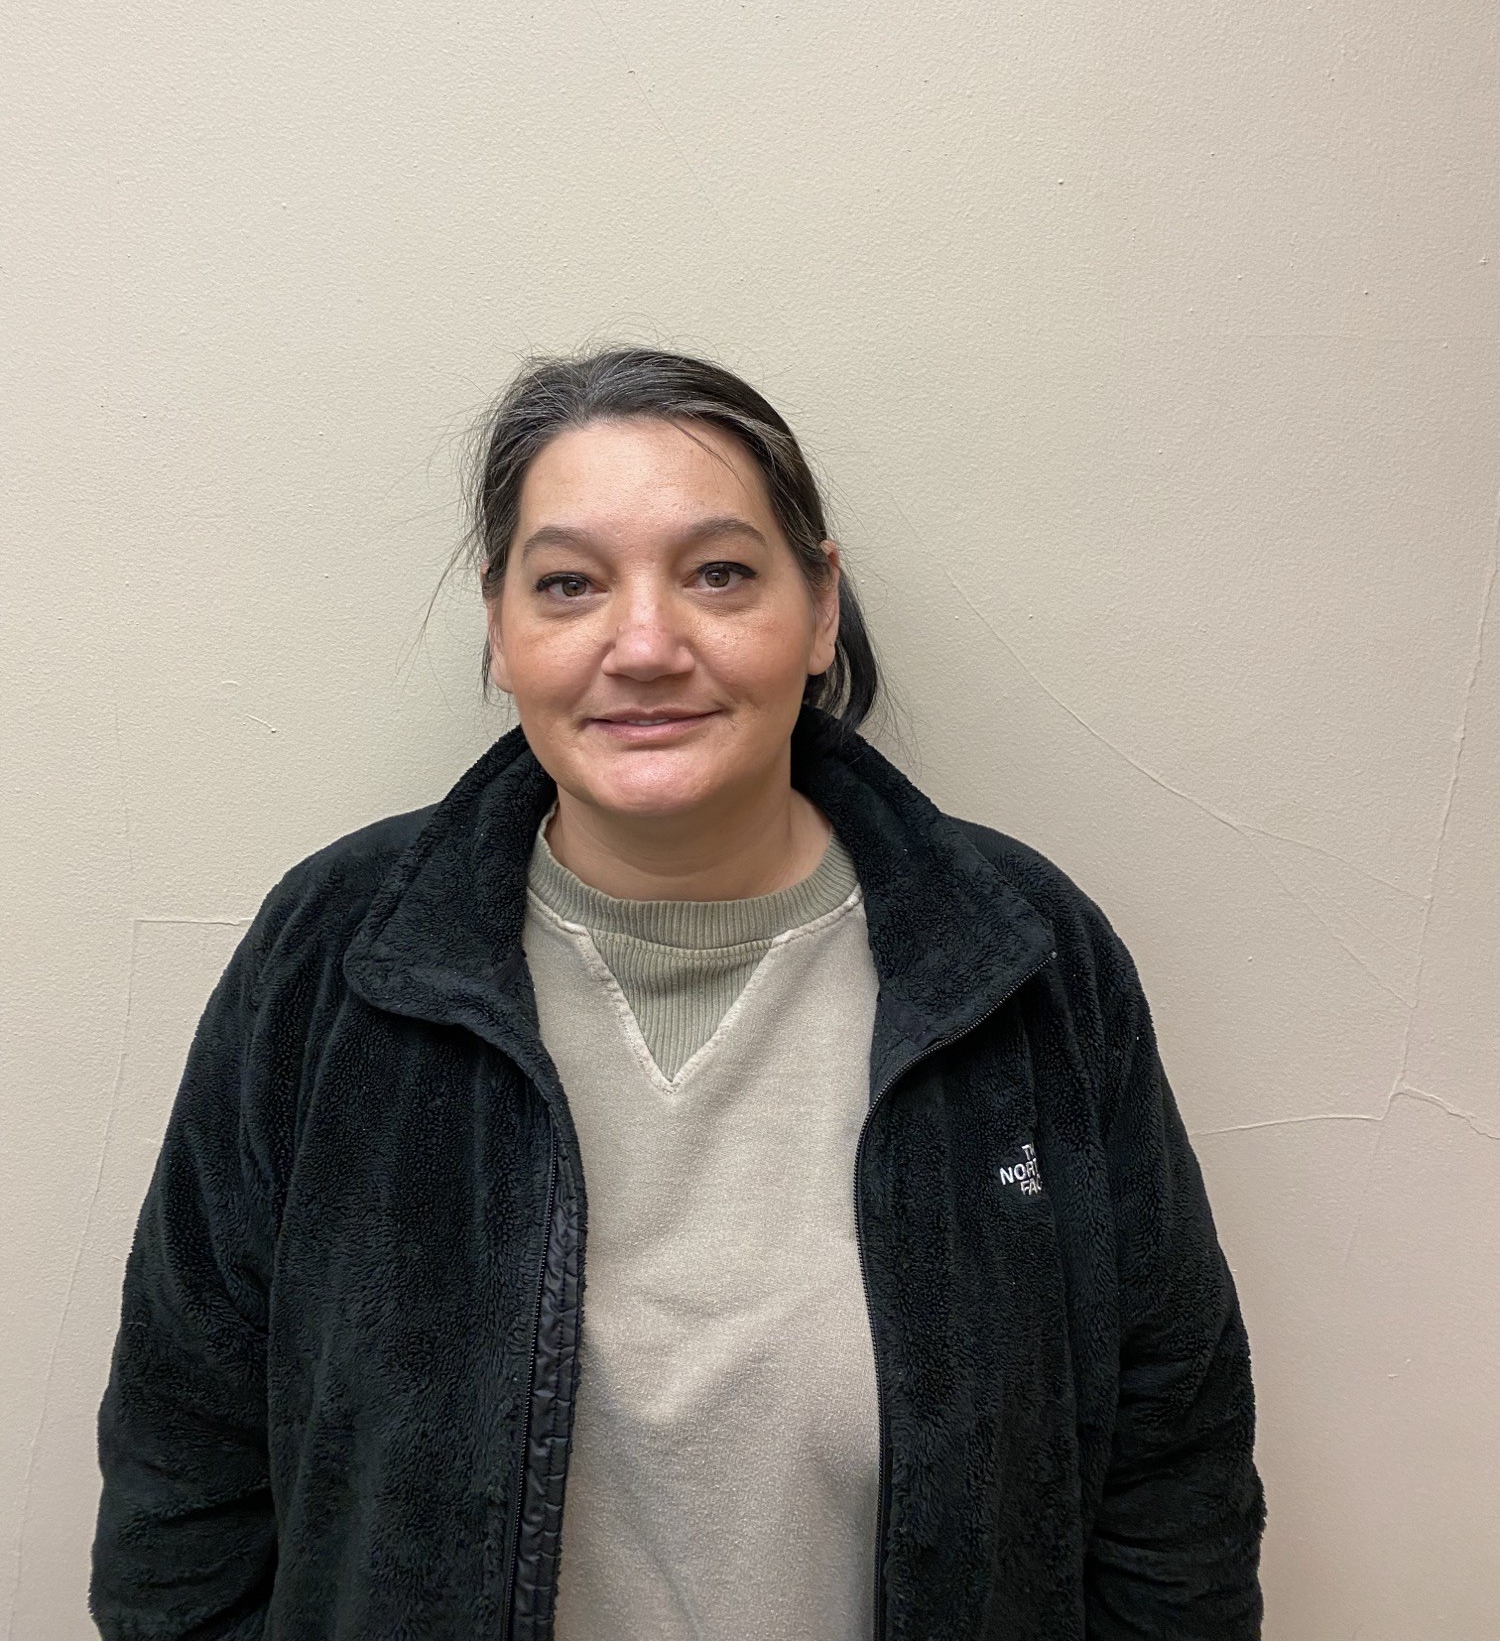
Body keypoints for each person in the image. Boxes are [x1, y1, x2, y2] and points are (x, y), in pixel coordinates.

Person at [90, 344, 1265, 1641]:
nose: (644, 645)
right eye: (569, 584)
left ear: (819, 609)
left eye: (719, 574)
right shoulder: (331, 957)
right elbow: (182, 1466)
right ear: (502, 629)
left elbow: (1174, 1463)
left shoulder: (1021, 954)